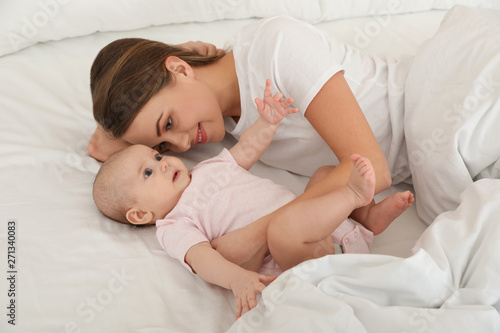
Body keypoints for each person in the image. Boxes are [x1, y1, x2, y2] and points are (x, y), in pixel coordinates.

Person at [88, 16, 412, 274]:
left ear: (180, 68)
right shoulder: (219, 125)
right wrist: (112, 130)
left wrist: (257, 234)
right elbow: (121, 166)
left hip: (423, 107)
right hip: (412, 164)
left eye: (169, 124)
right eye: (163, 144)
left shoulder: (275, 47)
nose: (183, 144)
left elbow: (373, 169)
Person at [93, 81, 414, 318]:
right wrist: (238, 280)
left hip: (322, 222)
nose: (162, 164)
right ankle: (354, 195)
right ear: (139, 215)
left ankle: (362, 220)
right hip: (304, 252)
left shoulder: (208, 168)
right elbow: (205, 260)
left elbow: (246, 150)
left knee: (322, 175)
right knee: (284, 230)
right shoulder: (174, 225)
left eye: (156, 155)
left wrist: (268, 122)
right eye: (147, 173)